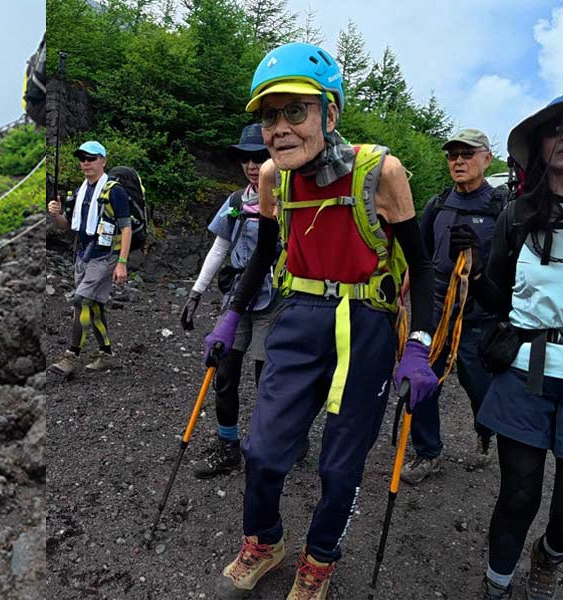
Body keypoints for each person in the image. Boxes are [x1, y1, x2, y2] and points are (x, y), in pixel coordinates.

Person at [205, 43, 439, 599]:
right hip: (299, 316)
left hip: (367, 323)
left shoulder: (381, 172)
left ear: (329, 114)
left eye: (295, 111)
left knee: (340, 465)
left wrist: (418, 345)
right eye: (270, 116)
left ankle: (320, 560)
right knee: (263, 451)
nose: (279, 129)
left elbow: (423, 265)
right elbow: (264, 255)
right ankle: (264, 541)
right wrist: (231, 316)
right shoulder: (273, 177)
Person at [459, 94, 563, 600]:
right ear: (540, 144)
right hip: (525, 370)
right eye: (556, 128)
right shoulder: (518, 216)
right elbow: (497, 298)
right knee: (518, 495)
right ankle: (497, 585)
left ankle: (549, 555)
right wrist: (472, 271)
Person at [401, 128, 510, 485]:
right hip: (434, 311)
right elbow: (422, 256)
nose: (458, 161)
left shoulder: (501, 207)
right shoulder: (438, 204)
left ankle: (485, 431)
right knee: (422, 380)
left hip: (479, 316)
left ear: (486, 159)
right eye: (453, 155)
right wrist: (404, 288)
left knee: (479, 387)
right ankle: (428, 451)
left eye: (467, 154)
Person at [179, 124, 278, 478]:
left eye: (260, 157)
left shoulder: (286, 201)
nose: (252, 165)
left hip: (273, 299)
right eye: (246, 158)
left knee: (267, 379)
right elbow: (220, 247)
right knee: (224, 372)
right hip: (236, 297)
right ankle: (228, 445)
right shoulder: (236, 202)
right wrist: (196, 292)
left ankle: (274, 444)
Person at [47, 140, 130, 377]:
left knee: (81, 300)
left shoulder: (115, 191)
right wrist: (56, 215)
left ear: (103, 161)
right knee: (94, 306)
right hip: (82, 256)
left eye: (91, 158)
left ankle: (71, 356)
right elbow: (66, 226)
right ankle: (106, 354)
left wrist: (122, 263)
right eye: (82, 159)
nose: (86, 163)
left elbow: (126, 228)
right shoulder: (79, 192)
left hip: (105, 257)